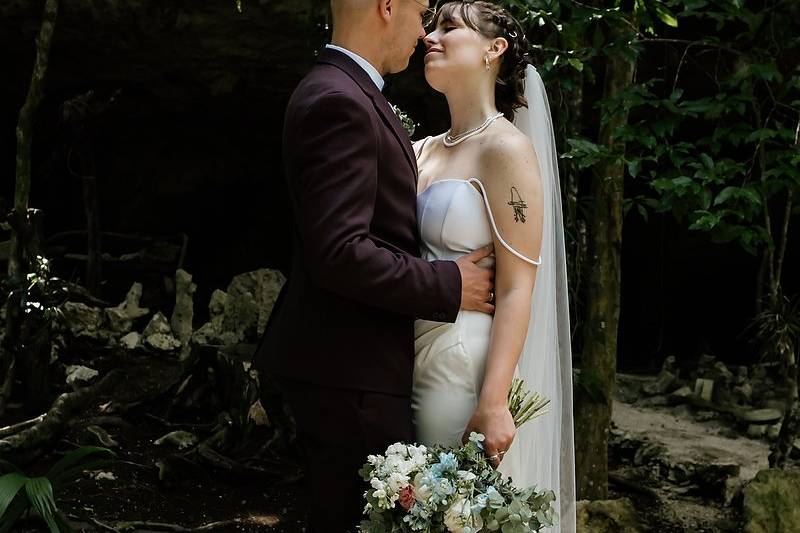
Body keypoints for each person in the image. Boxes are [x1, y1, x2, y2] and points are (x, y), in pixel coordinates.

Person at [251, 0, 496, 530]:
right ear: (387, 5)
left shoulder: (343, 91)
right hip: (348, 370)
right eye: (419, 11)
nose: (423, 30)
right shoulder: (339, 101)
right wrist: (448, 283)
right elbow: (339, 252)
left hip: (356, 364)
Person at [410, 2, 576, 531]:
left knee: (448, 513)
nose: (429, 37)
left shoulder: (506, 149)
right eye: (430, 25)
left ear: (493, 49)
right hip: (403, 350)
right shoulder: (422, 149)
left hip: (462, 363)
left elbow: (517, 288)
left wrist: (495, 400)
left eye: (448, 28)